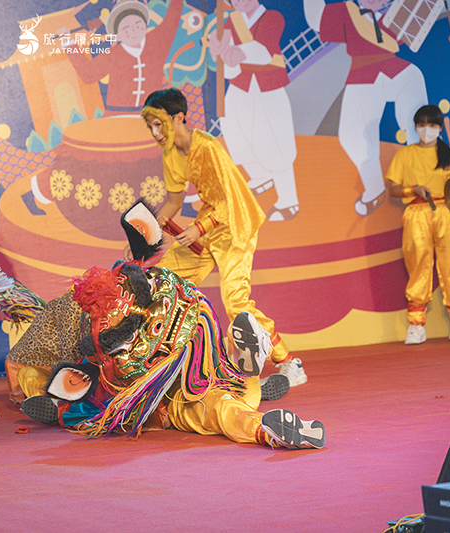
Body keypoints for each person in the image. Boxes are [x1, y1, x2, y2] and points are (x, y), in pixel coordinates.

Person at [18, 261, 325, 450]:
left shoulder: (129, 292)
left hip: (172, 390)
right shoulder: (80, 326)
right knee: (218, 401)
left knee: (211, 406)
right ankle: (252, 389)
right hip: (160, 391)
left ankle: (261, 417)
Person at [133, 88, 307, 400]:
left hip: (236, 224)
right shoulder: (171, 154)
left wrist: (198, 229)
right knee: (165, 279)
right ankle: (150, 359)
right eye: (151, 126)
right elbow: (174, 200)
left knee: (236, 302)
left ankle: (290, 363)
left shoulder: (208, 147)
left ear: (179, 118)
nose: (155, 132)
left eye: (159, 124)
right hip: (209, 224)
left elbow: (229, 201)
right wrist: (149, 228)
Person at [304, 0, 428, 217]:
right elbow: (316, 18)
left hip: (395, 70)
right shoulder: (346, 12)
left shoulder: (398, 12)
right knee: (351, 136)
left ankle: (420, 181)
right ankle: (374, 188)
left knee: (417, 111)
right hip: (362, 74)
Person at [384, 104, 450, 345]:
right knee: (418, 264)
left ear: (439, 127)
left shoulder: (449, 153)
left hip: (448, 213)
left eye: (431, 124)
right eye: (421, 124)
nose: (426, 129)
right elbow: (393, 189)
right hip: (417, 211)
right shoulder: (405, 154)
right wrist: (414, 189)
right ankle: (416, 324)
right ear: (415, 127)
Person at [209, 0, 299, 221]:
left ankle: (289, 200)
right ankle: (259, 176)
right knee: (235, 132)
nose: (241, 2)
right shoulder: (230, 22)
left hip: (269, 88)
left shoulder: (272, 17)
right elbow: (229, 69)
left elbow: (264, 51)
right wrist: (220, 53)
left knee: (276, 142)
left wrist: (233, 51)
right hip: (240, 86)